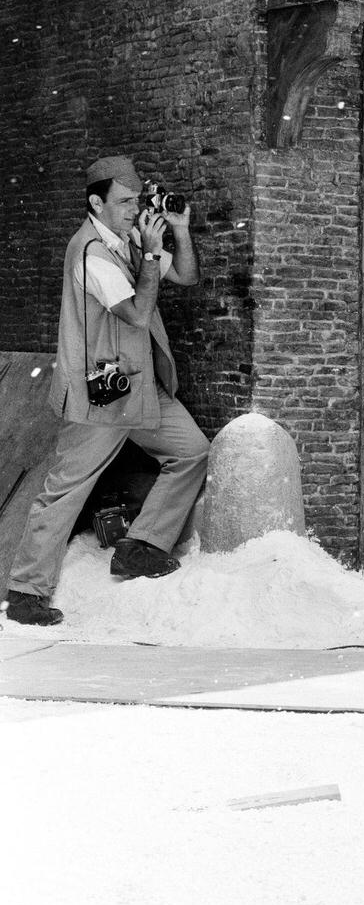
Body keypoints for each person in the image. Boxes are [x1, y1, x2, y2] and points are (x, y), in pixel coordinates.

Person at [4, 155, 210, 626]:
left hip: (138, 385)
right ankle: (25, 593)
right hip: (102, 391)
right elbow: (137, 313)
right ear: (96, 201)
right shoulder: (91, 252)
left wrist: (177, 231)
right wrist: (153, 254)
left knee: (192, 451)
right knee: (65, 490)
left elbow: (188, 277)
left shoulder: (127, 238)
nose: (133, 207)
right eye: (124, 200)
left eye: (137, 198)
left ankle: (140, 546)